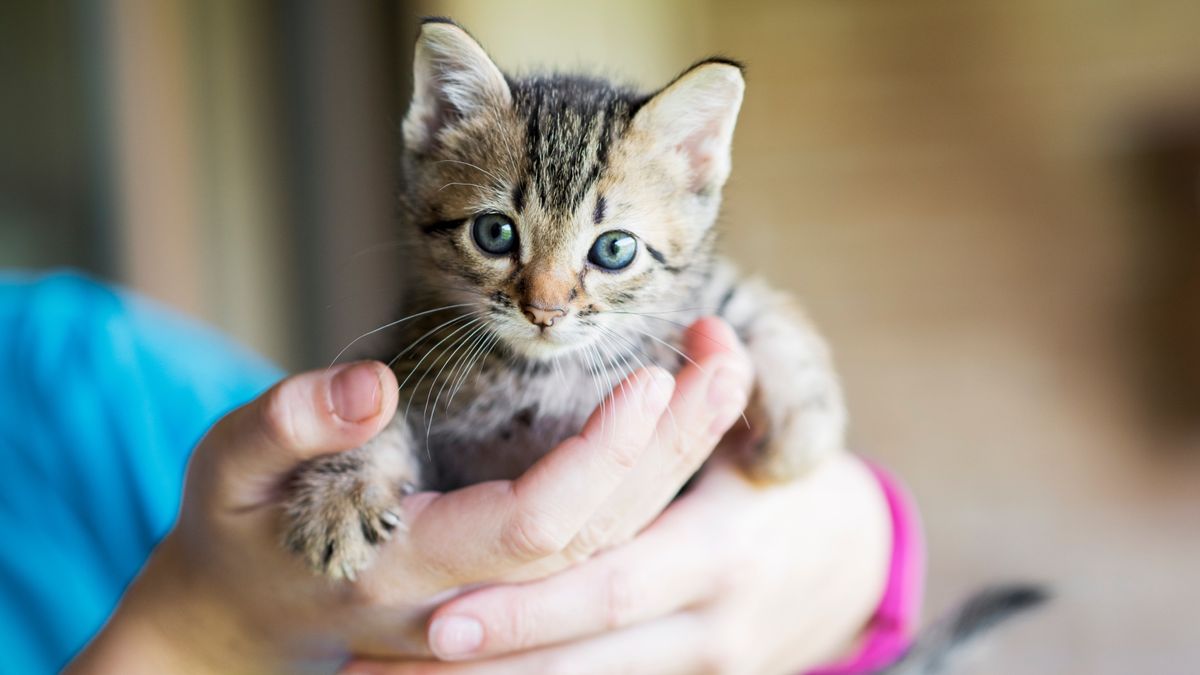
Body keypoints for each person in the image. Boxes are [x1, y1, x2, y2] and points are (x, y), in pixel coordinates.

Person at [0, 271, 922, 674]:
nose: (549, 301)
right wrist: (201, 637)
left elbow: (360, 432)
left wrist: (855, 542)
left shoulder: (63, 370)